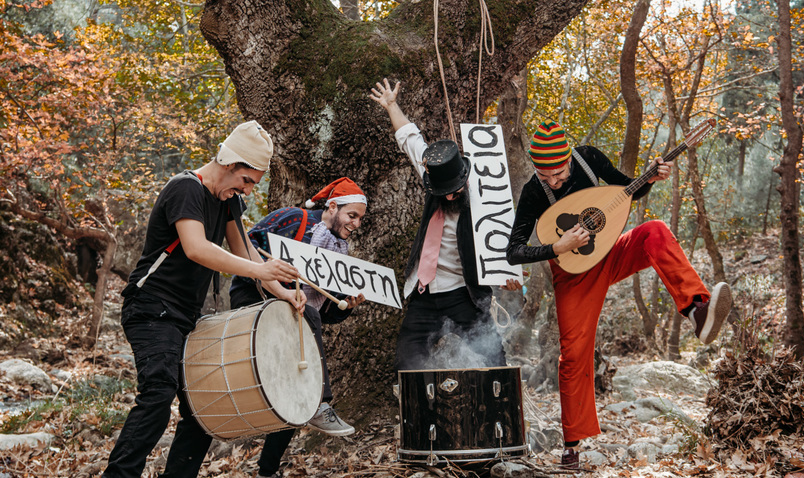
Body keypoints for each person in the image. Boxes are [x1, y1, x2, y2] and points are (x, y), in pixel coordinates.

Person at [506, 121, 733, 470]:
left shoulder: (587, 159)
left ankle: (697, 310)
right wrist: (556, 246)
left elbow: (626, 191)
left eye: (559, 172)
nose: (553, 181)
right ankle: (572, 447)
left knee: (654, 231)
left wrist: (652, 178)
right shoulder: (534, 192)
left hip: (610, 252)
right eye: (545, 175)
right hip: (572, 276)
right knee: (574, 355)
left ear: (569, 157)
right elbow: (514, 251)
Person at [102, 121, 306, 478]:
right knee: (158, 392)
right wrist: (262, 272)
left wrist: (284, 292)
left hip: (188, 316)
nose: (246, 191)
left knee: (203, 407)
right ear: (231, 164)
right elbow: (197, 248)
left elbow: (248, 257)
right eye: (246, 181)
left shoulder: (229, 204)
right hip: (151, 307)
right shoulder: (186, 189)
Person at [370, 78, 521, 371]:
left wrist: (509, 274)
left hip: (463, 292)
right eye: (443, 192)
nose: (449, 196)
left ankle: (502, 410)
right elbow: (410, 139)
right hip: (424, 293)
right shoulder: (434, 175)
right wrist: (391, 105)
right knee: (407, 361)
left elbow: (501, 235)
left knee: (493, 358)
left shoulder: (482, 196)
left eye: (455, 190)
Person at [228, 177, 368, 478]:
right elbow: (244, 248)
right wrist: (277, 281)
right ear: (332, 206)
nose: (355, 224)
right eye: (351, 215)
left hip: (299, 314)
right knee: (310, 329)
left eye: (359, 219)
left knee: (296, 391)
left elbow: (324, 313)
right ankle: (320, 402)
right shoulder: (293, 219)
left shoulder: (338, 253)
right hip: (253, 295)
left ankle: (268, 470)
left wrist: (345, 306)